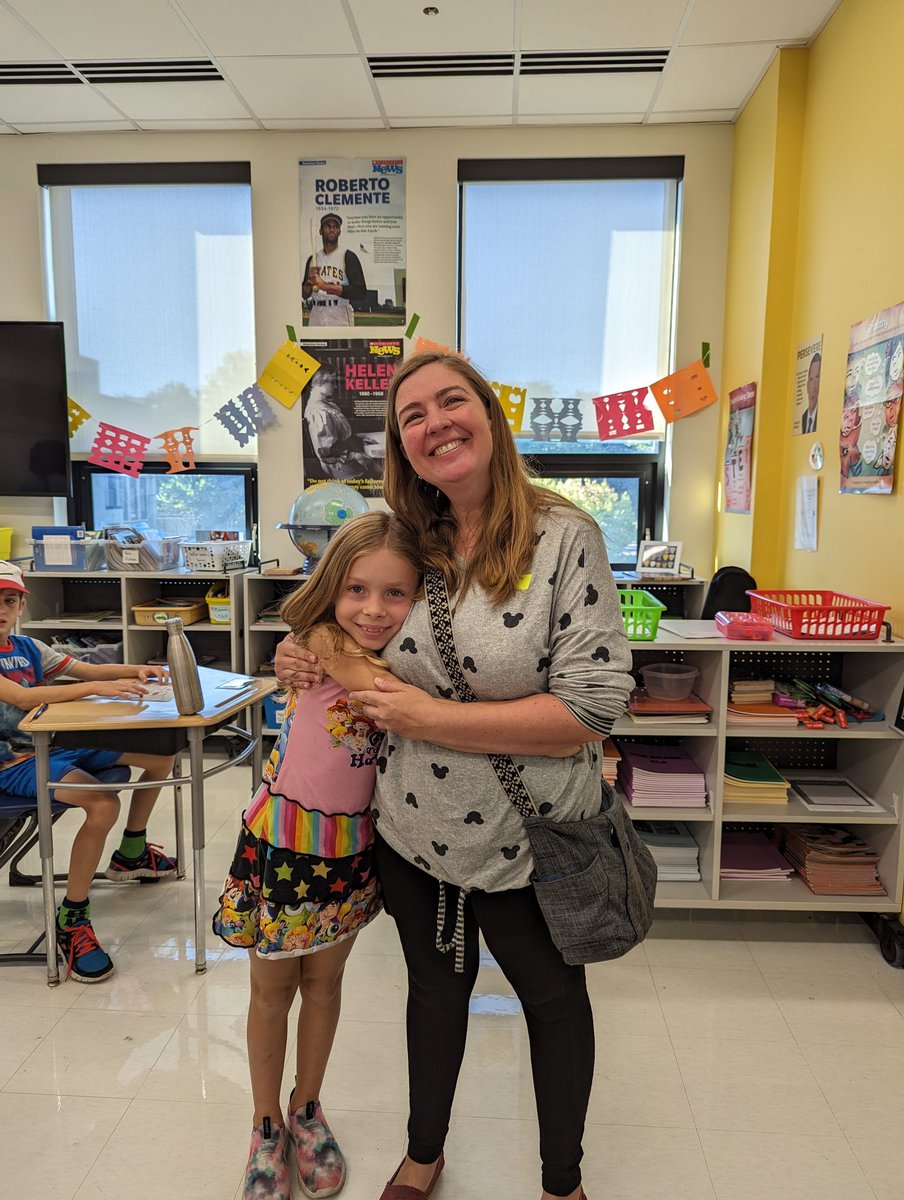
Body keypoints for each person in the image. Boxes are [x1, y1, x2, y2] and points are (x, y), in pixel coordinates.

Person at [275, 350, 634, 1200]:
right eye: (412, 416)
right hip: (412, 832)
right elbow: (336, 614)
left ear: (488, 414)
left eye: (451, 401)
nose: (435, 422)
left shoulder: (564, 538)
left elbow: (593, 707)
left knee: (552, 1003)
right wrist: (308, 649)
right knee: (435, 996)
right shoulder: (409, 536)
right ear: (402, 447)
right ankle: (423, 1154)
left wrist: (428, 717)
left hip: (533, 841)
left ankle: (562, 1182)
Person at [212, 512, 421, 1200]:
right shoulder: (327, 640)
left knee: (325, 988)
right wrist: (293, 653)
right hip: (282, 850)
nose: (374, 608)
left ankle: (307, 1109)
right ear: (333, 587)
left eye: (396, 593)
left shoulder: (406, 653)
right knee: (272, 990)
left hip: (351, 852)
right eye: (357, 588)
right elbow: (373, 686)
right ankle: (265, 1123)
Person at [0, 561, 177, 984]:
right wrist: (96, 689)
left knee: (160, 755)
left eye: (8, 601)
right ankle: (72, 920)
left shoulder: (27, 646)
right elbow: (23, 699)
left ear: (21, 603)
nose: (0, 610)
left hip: (56, 745)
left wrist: (139, 670)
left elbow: (88, 670)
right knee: (102, 804)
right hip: (13, 761)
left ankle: (131, 854)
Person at [302, 370, 380, 481]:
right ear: (318, 382)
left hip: (344, 455)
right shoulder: (318, 411)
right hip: (336, 464)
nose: (336, 386)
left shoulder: (328, 405)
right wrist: (355, 456)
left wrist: (360, 438)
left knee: (376, 464)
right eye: (332, 382)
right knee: (376, 470)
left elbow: (339, 437)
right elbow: (326, 451)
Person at [302, 213, 367, 328]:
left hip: (339, 313)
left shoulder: (348, 256)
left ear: (339, 232)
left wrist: (324, 286)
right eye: (328, 226)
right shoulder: (312, 259)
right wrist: (309, 281)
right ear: (321, 231)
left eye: (335, 227)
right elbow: (305, 294)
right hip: (316, 313)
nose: (332, 229)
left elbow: (360, 291)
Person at [802, 351, 821, 433]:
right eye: (811, 379)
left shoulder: (820, 417)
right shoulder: (804, 417)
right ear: (807, 385)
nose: (813, 386)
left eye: (817, 378)